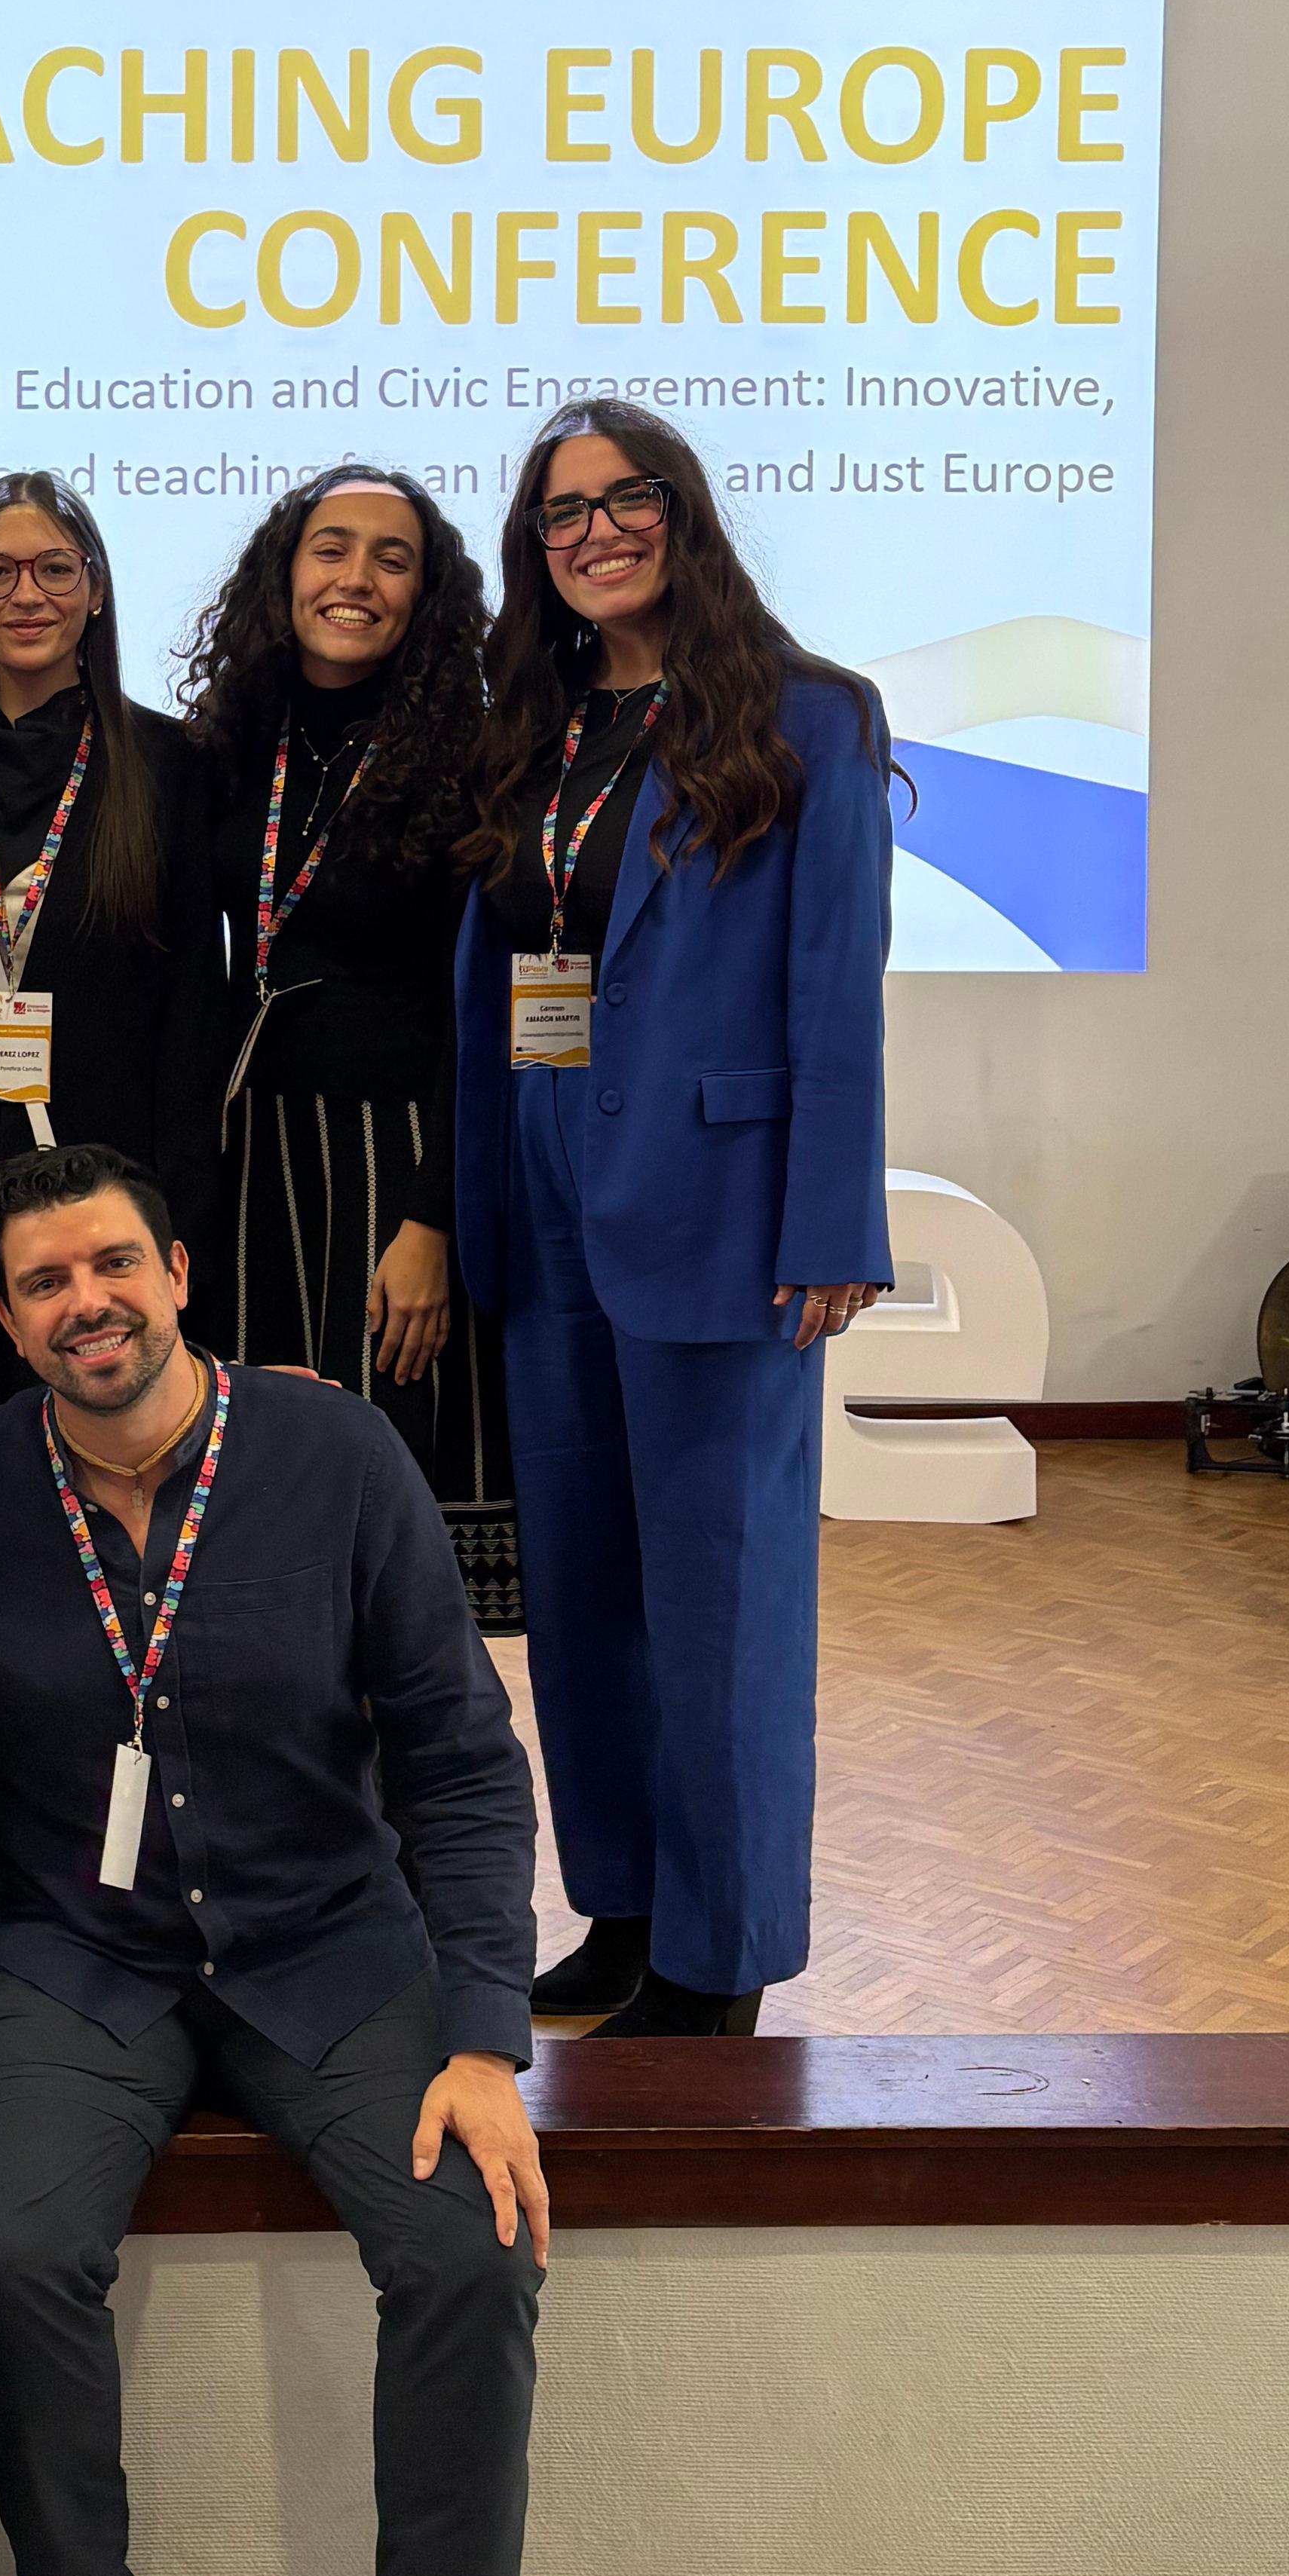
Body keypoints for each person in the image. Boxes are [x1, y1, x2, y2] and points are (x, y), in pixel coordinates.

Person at [0, 1140, 547, 2576]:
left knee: (472, 2251)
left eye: (111, 1263)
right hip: (69, 1964)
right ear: (7, 1322)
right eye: (38, 1284)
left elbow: (462, 1759)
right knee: (9, 2254)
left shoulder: (336, 1460)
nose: (83, 1304)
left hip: (328, 1950)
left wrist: (490, 2038)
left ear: (178, 1270)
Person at [453, 400, 894, 2040]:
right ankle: (624, 1911)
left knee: (722, 1603)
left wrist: (831, 1220)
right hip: (548, 1180)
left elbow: (835, 983)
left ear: (681, 512)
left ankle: (719, 1960)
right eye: (560, 515)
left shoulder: (805, 718)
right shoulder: (540, 728)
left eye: (623, 499)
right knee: (578, 1595)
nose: (594, 533)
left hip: (720, 1205)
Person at [183, 464, 516, 1595]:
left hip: (395, 1163)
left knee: (383, 1473)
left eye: (392, 557)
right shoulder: (237, 739)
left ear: (427, 595)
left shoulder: (476, 759)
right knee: (253, 1469)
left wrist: (436, 1222)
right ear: (286, 573)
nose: (356, 579)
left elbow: (490, 1010)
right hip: (247, 1159)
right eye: (331, 549)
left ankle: (398, 1758)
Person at [0, 470, 220, 1430]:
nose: (26, 596)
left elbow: (196, 1001)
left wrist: (173, 1215)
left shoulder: (167, 762)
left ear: (98, 587)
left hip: (103, 1203)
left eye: (55, 570)